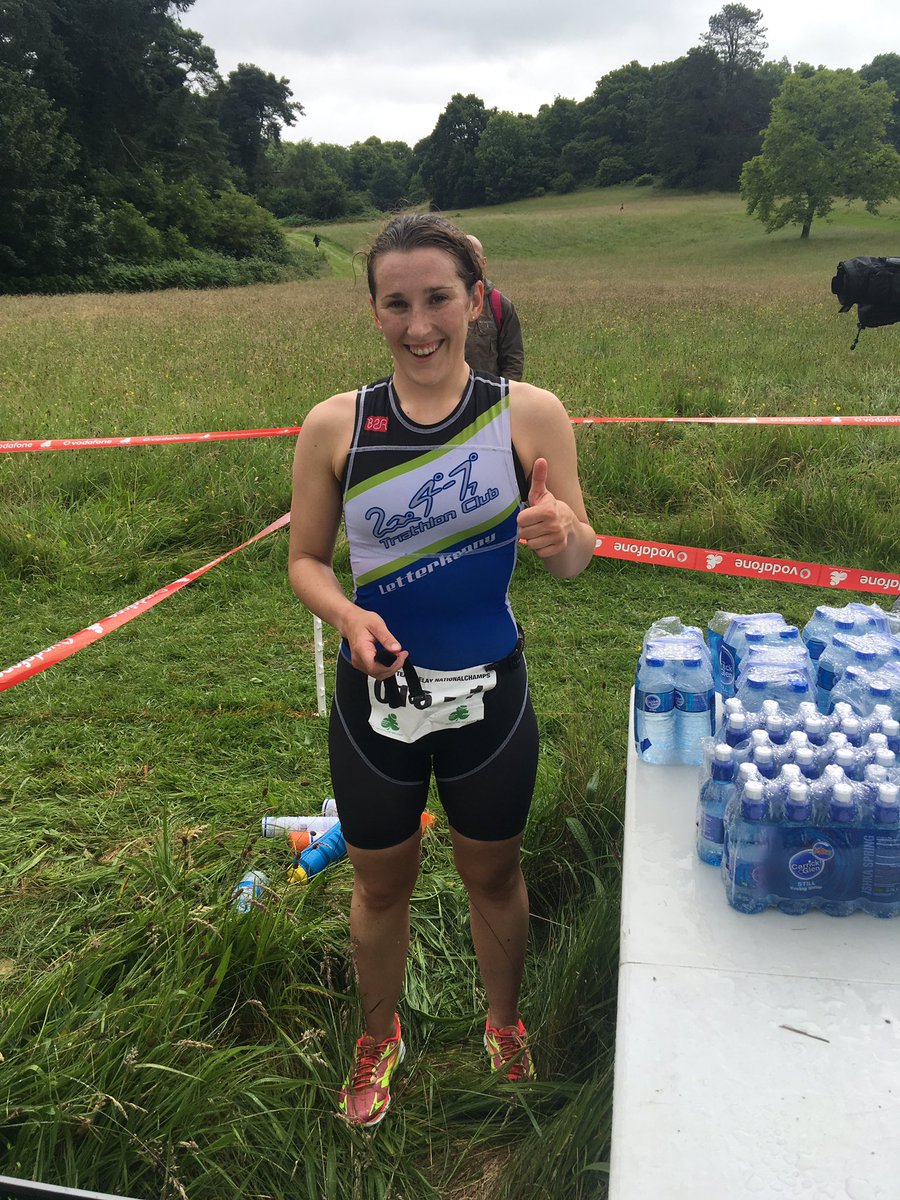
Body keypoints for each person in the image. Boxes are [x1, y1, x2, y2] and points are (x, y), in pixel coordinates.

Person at [288, 212, 595, 1128]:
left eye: (437, 300)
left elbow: (577, 556)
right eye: (396, 304)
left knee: (492, 874)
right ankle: (377, 1040)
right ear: (374, 311)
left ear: (475, 300)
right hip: (374, 697)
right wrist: (345, 613)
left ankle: (505, 1027)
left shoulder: (528, 414)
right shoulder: (335, 425)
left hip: (491, 693)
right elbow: (305, 559)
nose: (419, 325)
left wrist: (560, 533)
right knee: (380, 882)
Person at [464, 234, 525, 380]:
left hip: (490, 399)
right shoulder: (441, 303)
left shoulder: (500, 304)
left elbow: (513, 361)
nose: (470, 262)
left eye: (475, 257)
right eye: (464, 257)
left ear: (484, 262)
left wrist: (500, 401)